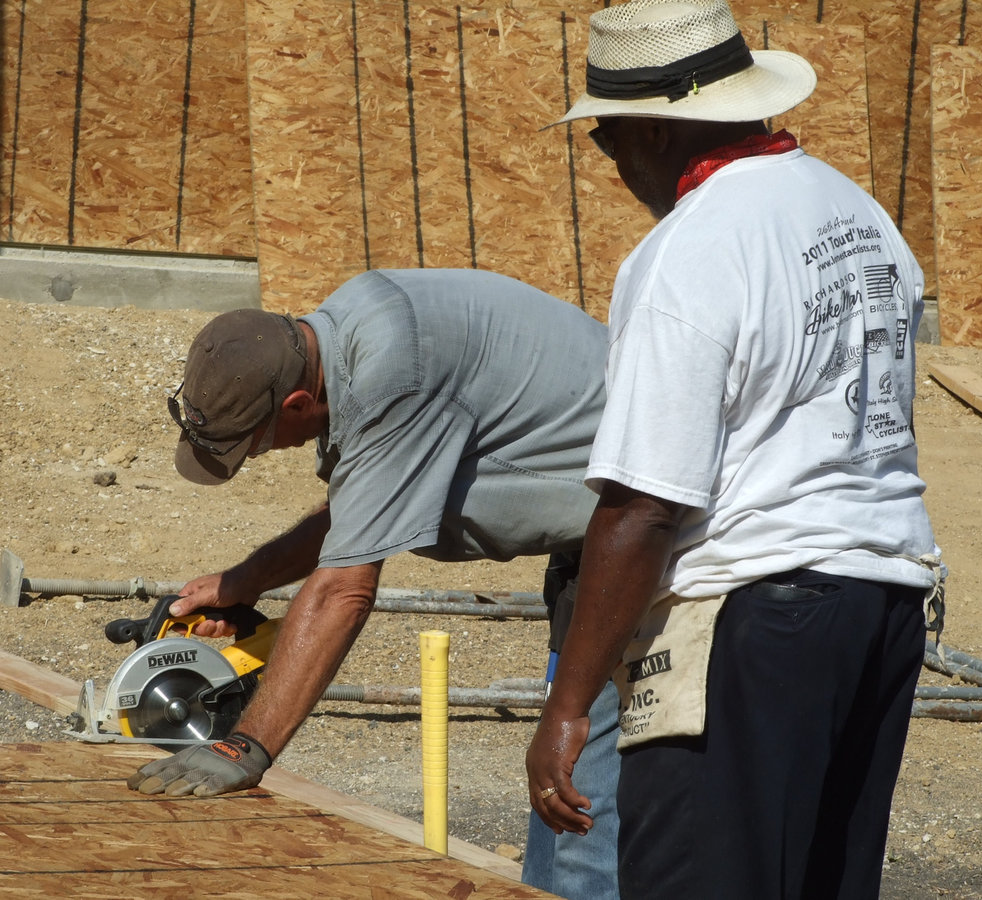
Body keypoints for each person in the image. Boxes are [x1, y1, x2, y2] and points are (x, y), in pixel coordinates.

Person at [525, 2, 945, 899]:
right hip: (882, 605)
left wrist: (567, 708)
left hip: (755, 617)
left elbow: (645, 502)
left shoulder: (692, 249)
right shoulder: (857, 210)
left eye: (606, 138)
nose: (610, 162)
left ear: (651, 129)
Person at [126, 268, 621, 899]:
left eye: (253, 448)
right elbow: (362, 506)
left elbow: (345, 589)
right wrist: (244, 581)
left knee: (584, 823)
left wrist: (244, 747)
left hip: (652, 545)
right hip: (596, 547)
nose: (259, 457)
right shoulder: (343, 331)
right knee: (555, 797)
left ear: (296, 405)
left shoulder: (395, 372)